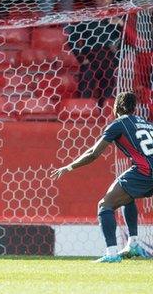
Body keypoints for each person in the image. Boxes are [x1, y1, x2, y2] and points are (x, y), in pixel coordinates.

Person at [51, 92, 152, 262]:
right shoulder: (148, 125)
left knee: (105, 205)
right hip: (147, 171)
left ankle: (111, 253)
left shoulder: (118, 124)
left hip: (144, 171)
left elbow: (93, 153)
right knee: (127, 197)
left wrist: (69, 166)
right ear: (134, 108)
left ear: (117, 107)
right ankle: (133, 244)